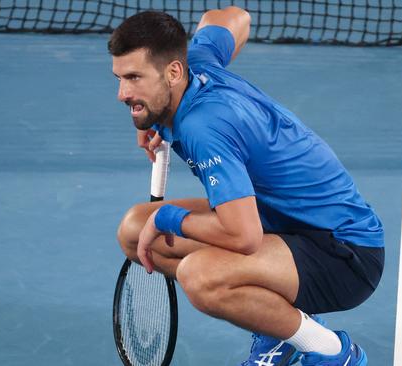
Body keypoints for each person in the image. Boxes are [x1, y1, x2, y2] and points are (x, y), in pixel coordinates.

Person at [110, 7, 384, 366]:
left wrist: (168, 219)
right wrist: (150, 112)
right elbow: (233, 17)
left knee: (200, 276)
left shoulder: (204, 128)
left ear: (173, 72)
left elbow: (244, 237)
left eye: (134, 78)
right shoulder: (198, 63)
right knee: (134, 229)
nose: (122, 93)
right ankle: (276, 326)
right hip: (281, 219)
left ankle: (331, 351)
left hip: (343, 254)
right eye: (119, 78)